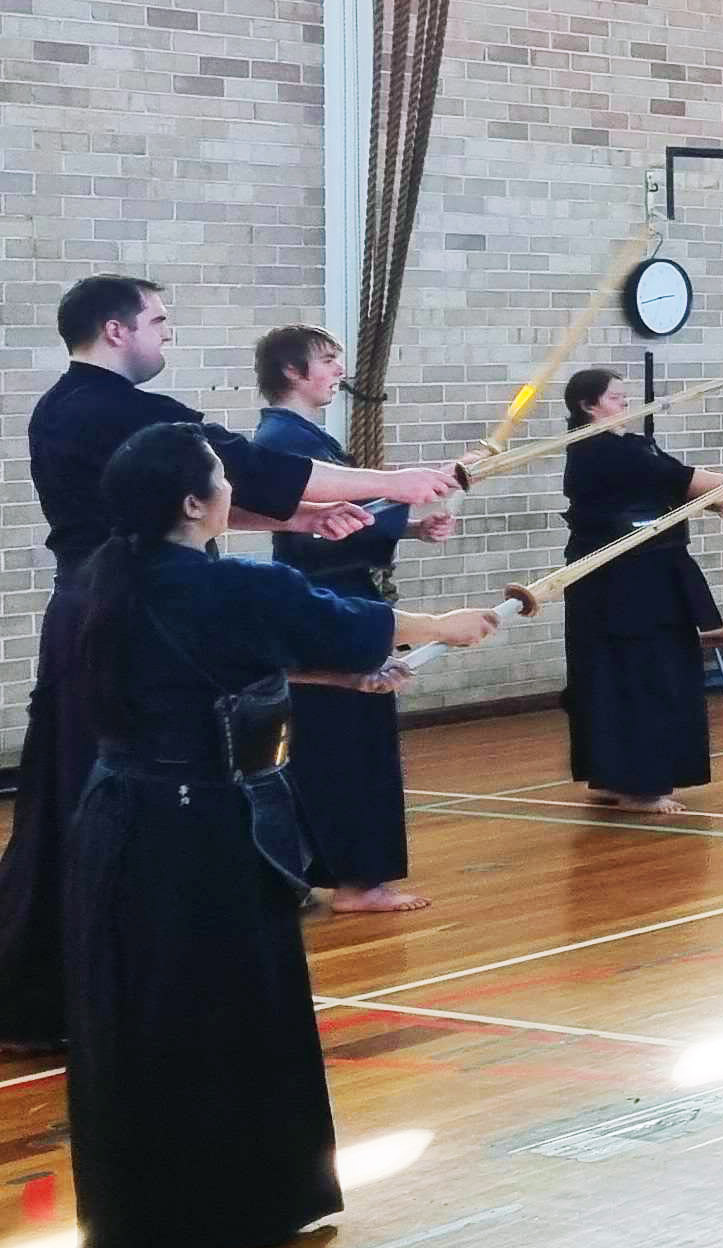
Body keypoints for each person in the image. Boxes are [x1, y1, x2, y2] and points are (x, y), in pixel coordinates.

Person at [61, 422, 498, 1247]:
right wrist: (445, 624)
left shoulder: (107, 578)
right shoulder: (228, 586)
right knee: (225, 1014)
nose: (233, 486)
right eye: (222, 476)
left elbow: (217, 658)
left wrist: (340, 676)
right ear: (195, 504)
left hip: (119, 826)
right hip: (202, 837)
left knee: (143, 1017)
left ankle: (145, 1212)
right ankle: (233, 1210)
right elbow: (336, 619)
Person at [0, 275, 459, 1052]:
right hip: (128, 615)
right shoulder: (121, 412)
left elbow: (196, 497)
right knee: (117, 809)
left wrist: (306, 518)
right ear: (115, 330)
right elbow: (242, 466)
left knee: (70, 803)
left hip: (94, 610)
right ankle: (101, 998)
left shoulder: (64, 408)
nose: (167, 332)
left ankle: (56, 998)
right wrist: (397, 483)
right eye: (157, 320)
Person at [249, 325, 463, 913]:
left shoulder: (306, 437)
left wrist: (410, 527)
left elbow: (343, 518)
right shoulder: (282, 441)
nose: (338, 370)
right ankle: (356, 881)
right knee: (346, 742)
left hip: (335, 594)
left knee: (348, 735)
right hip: (324, 601)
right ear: (292, 371)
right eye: (326, 360)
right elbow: (312, 531)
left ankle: (341, 875)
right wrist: (408, 498)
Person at [559, 367, 723, 813]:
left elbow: (660, 488)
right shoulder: (597, 449)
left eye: (625, 396)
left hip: (648, 575)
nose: (625, 402)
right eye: (615, 397)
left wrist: (714, 500)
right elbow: (678, 476)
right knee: (633, 675)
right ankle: (636, 786)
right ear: (588, 405)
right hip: (619, 586)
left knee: (650, 672)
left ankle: (614, 776)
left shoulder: (631, 445)